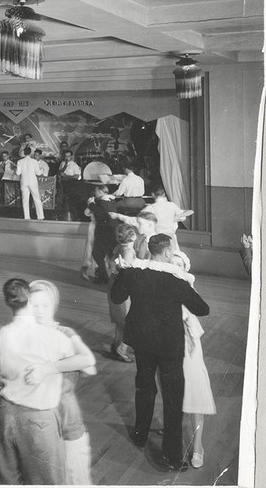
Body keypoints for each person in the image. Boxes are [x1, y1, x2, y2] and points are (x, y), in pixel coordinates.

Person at [0, 278, 87, 485]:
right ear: (29, 300)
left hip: (5, 416)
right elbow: (85, 363)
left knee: (0, 479)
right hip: (41, 421)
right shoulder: (57, 338)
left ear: (7, 302)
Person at [110, 234, 210, 471]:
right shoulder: (176, 280)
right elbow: (202, 309)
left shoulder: (133, 272)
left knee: (144, 387)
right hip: (169, 346)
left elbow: (117, 297)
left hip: (142, 342)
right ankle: (172, 456)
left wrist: (119, 272)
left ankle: (140, 434)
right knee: (172, 399)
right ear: (167, 252)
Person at [28, 280, 97, 485]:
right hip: (36, 425)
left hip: (66, 422)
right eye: (34, 305)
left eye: (45, 305)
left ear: (54, 306)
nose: (39, 311)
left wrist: (49, 367)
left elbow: (88, 363)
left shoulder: (65, 333)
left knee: (76, 480)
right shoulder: (23, 335)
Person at [106, 223, 137, 363]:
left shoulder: (118, 247)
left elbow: (111, 264)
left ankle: (116, 345)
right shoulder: (129, 252)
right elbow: (127, 271)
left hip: (113, 285)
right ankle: (121, 349)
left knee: (120, 320)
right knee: (129, 320)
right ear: (133, 236)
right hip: (123, 288)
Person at [86, 185, 120, 285]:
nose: (95, 193)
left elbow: (101, 213)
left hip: (104, 231)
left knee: (97, 254)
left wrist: (90, 204)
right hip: (113, 231)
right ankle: (117, 277)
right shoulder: (112, 201)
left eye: (96, 191)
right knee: (112, 254)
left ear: (101, 192)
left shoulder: (102, 202)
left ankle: (103, 277)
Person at [16, 147, 44, 220]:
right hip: (32, 182)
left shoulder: (20, 161)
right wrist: (42, 170)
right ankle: (40, 216)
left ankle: (27, 217)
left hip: (24, 182)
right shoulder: (34, 161)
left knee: (25, 200)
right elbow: (38, 173)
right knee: (37, 199)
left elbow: (18, 173)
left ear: (24, 153)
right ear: (31, 153)